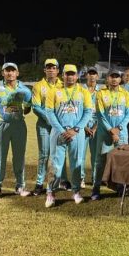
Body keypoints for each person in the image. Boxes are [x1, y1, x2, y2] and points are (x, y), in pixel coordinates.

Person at [44, 64, 92, 207]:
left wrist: (76, 129)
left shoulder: (84, 92)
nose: (70, 76)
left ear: (77, 76)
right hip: (58, 133)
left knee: (76, 162)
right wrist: (61, 129)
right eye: (67, 74)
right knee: (55, 163)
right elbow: (49, 112)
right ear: (63, 75)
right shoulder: (54, 91)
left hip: (77, 133)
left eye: (73, 74)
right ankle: (50, 192)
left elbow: (88, 112)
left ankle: (76, 191)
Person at [0, 62, 32, 201]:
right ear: (2, 73)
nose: (10, 73)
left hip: (19, 126)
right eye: (7, 71)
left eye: (13, 71)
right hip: (1, 126)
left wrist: (22, 108)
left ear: (17, 73)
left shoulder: (25, 90)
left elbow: (28, 108)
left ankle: (20, 186)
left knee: (19, 157)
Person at [31, 59, 71, 195]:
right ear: (44, 70)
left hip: (60, 126)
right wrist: (50, 119)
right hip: (44, 125)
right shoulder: (38, 86)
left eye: (53, 68)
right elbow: (35, 107)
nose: (51, 70)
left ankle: (63, 180)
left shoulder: (64, 84)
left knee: (61, 152)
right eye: (48, 67)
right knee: (44, 154)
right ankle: (39, 183)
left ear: (58, 70)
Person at [91, 69, 129, 200]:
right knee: (100, 161)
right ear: (107, 78)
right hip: (105, 133)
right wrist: (111, 130)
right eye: (111, 77)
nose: (114, 79)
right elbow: (101, 115)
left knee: (121, 161)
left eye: (117, 77)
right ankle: (96, 188)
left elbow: (128, 114)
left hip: (121, 133)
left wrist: (118, 129)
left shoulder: (125, 93)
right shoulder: (101, 93)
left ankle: (120, 187)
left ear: (120, 79)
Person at [81, 66, 102, 188]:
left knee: (95, 155)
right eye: (90, 73)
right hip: (82, 126)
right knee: (81, 155)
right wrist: (83, 126)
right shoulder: (80, 90)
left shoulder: (101, 92)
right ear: (86, 75)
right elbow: (77, 110)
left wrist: (94, 127)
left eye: (94, 74)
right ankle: (81, 178)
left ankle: (95, 179)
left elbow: (102, 112)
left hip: (96, 127)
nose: (92, 76)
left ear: (97, 76)